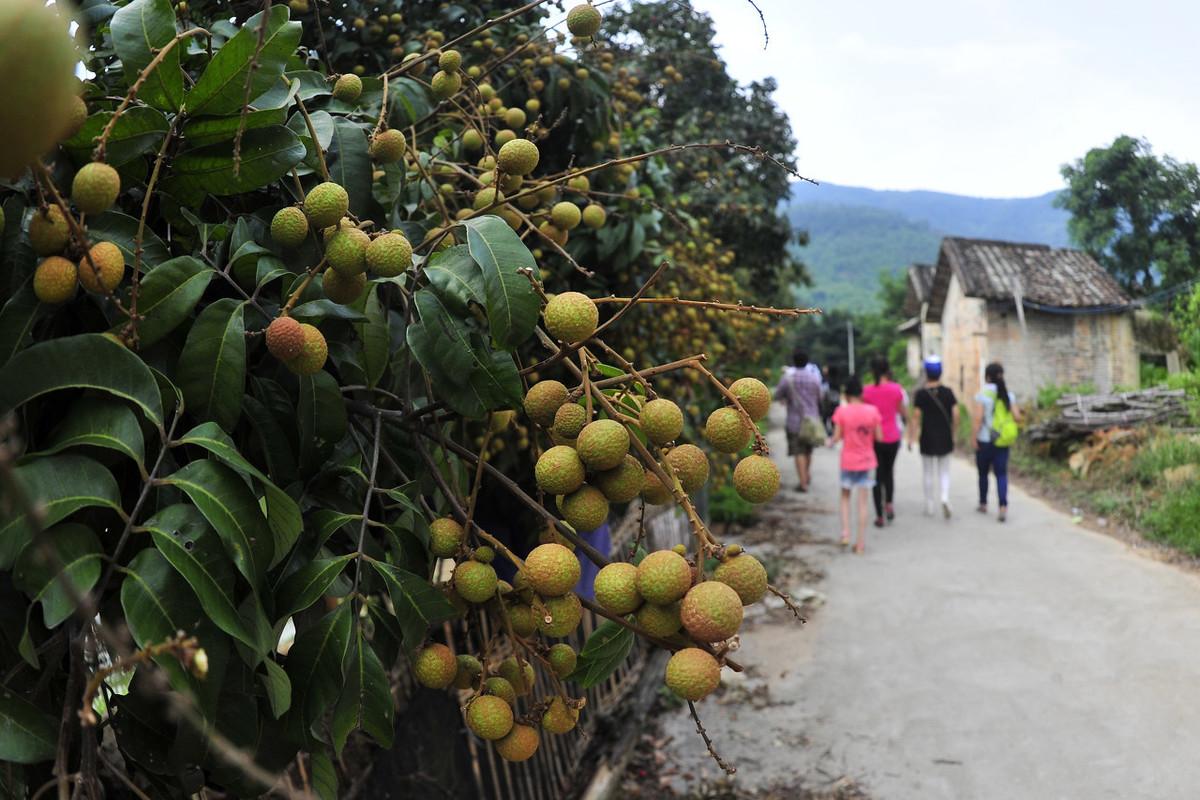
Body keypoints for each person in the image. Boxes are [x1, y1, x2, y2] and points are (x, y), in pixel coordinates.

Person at [829, 375, 882, 554]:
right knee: (863, 502)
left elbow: (836, 437)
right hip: (867, 462)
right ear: (861, 392)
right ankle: (860, 544)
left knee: (845, 497)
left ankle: (845, 533)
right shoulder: (873, 411)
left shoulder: (841, 412)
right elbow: (879, 437)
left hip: (848, 461)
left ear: (846, 394)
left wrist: (829, 441)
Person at [908, 356, 958, 518]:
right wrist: (953, 433)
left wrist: (911, 437)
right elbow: (956, 414)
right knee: (944, 471)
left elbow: (915, 417)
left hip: (927, 437)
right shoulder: (948, 392)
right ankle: (944, 498)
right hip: (945, 436)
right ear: (940, 372)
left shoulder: (921, 394)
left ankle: (929, 505)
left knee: (928, 472)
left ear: (926, 372)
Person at [973, 362, 1021, 522]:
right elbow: (1017, 417)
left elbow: (978, 419)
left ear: (987, 376)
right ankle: (1002, 507)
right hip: (1002, 441)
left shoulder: (982, 394)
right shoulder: (1009, 395)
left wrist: (974, 437)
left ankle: (983, 503)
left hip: (985, 440)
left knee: (983, 473)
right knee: (1001, 474)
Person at [862, 357, 906, 527]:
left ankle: (879, 516)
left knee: (877, 475)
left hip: (874, 439)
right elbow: (902, 411)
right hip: (893, 438)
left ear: (872, 371)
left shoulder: (867, 392)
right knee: (888, 472)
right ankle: (889, 504)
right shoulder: (896, 389)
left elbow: (865, 417)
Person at [774, 349, 824, 492]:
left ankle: (802, 482)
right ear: (807, 361)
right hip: (812, 420)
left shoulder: (788, 378)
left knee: (798, 452)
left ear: (794, 362)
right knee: (808, 450)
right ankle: (806, 475)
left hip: (794, 421)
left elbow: (778, 395)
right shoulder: (814, 377)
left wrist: (786, 399)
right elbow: (820, 396)